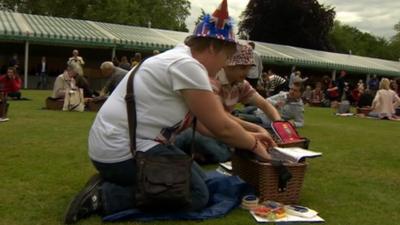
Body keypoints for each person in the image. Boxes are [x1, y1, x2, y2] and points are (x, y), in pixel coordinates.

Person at [63, 1, 275, 224]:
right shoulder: (188, 66)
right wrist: (253, 143)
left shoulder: (179, 58)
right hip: (122, 152)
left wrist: (253, 132)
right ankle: (104, 197)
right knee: (195, 194)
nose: (223, 66)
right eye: (225, 57)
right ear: (213, 47)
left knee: (197, 179)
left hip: (116, 147)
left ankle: (115, 182)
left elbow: (205, 123)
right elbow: (219, 126)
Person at [175, 44, 281, 163]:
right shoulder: (213, 80)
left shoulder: (241, 84)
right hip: (200, 128)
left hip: (219, 130)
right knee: (223, 151)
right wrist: (255, 128)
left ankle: (201, 154)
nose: (246, 72)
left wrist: (280, 125)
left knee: (239, 141)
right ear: (228, 65)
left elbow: (265, 104)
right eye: (242, 68)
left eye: (248, 68)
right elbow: (221, 115)